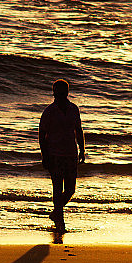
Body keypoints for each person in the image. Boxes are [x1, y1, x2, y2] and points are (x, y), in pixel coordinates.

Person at [39, 79, 85, 232]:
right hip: (55, 155)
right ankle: (60, 222)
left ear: (67, 92)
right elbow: (42, 134)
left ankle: (56, 212)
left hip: (71, 153)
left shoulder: (73, 109)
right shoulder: (49, 111)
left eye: (63, 91)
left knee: (70, 189)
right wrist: (44, 155)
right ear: (54, 93)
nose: (61, 94)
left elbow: (78, 130)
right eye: (58, 92)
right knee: (57, 188)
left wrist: (82, 149)